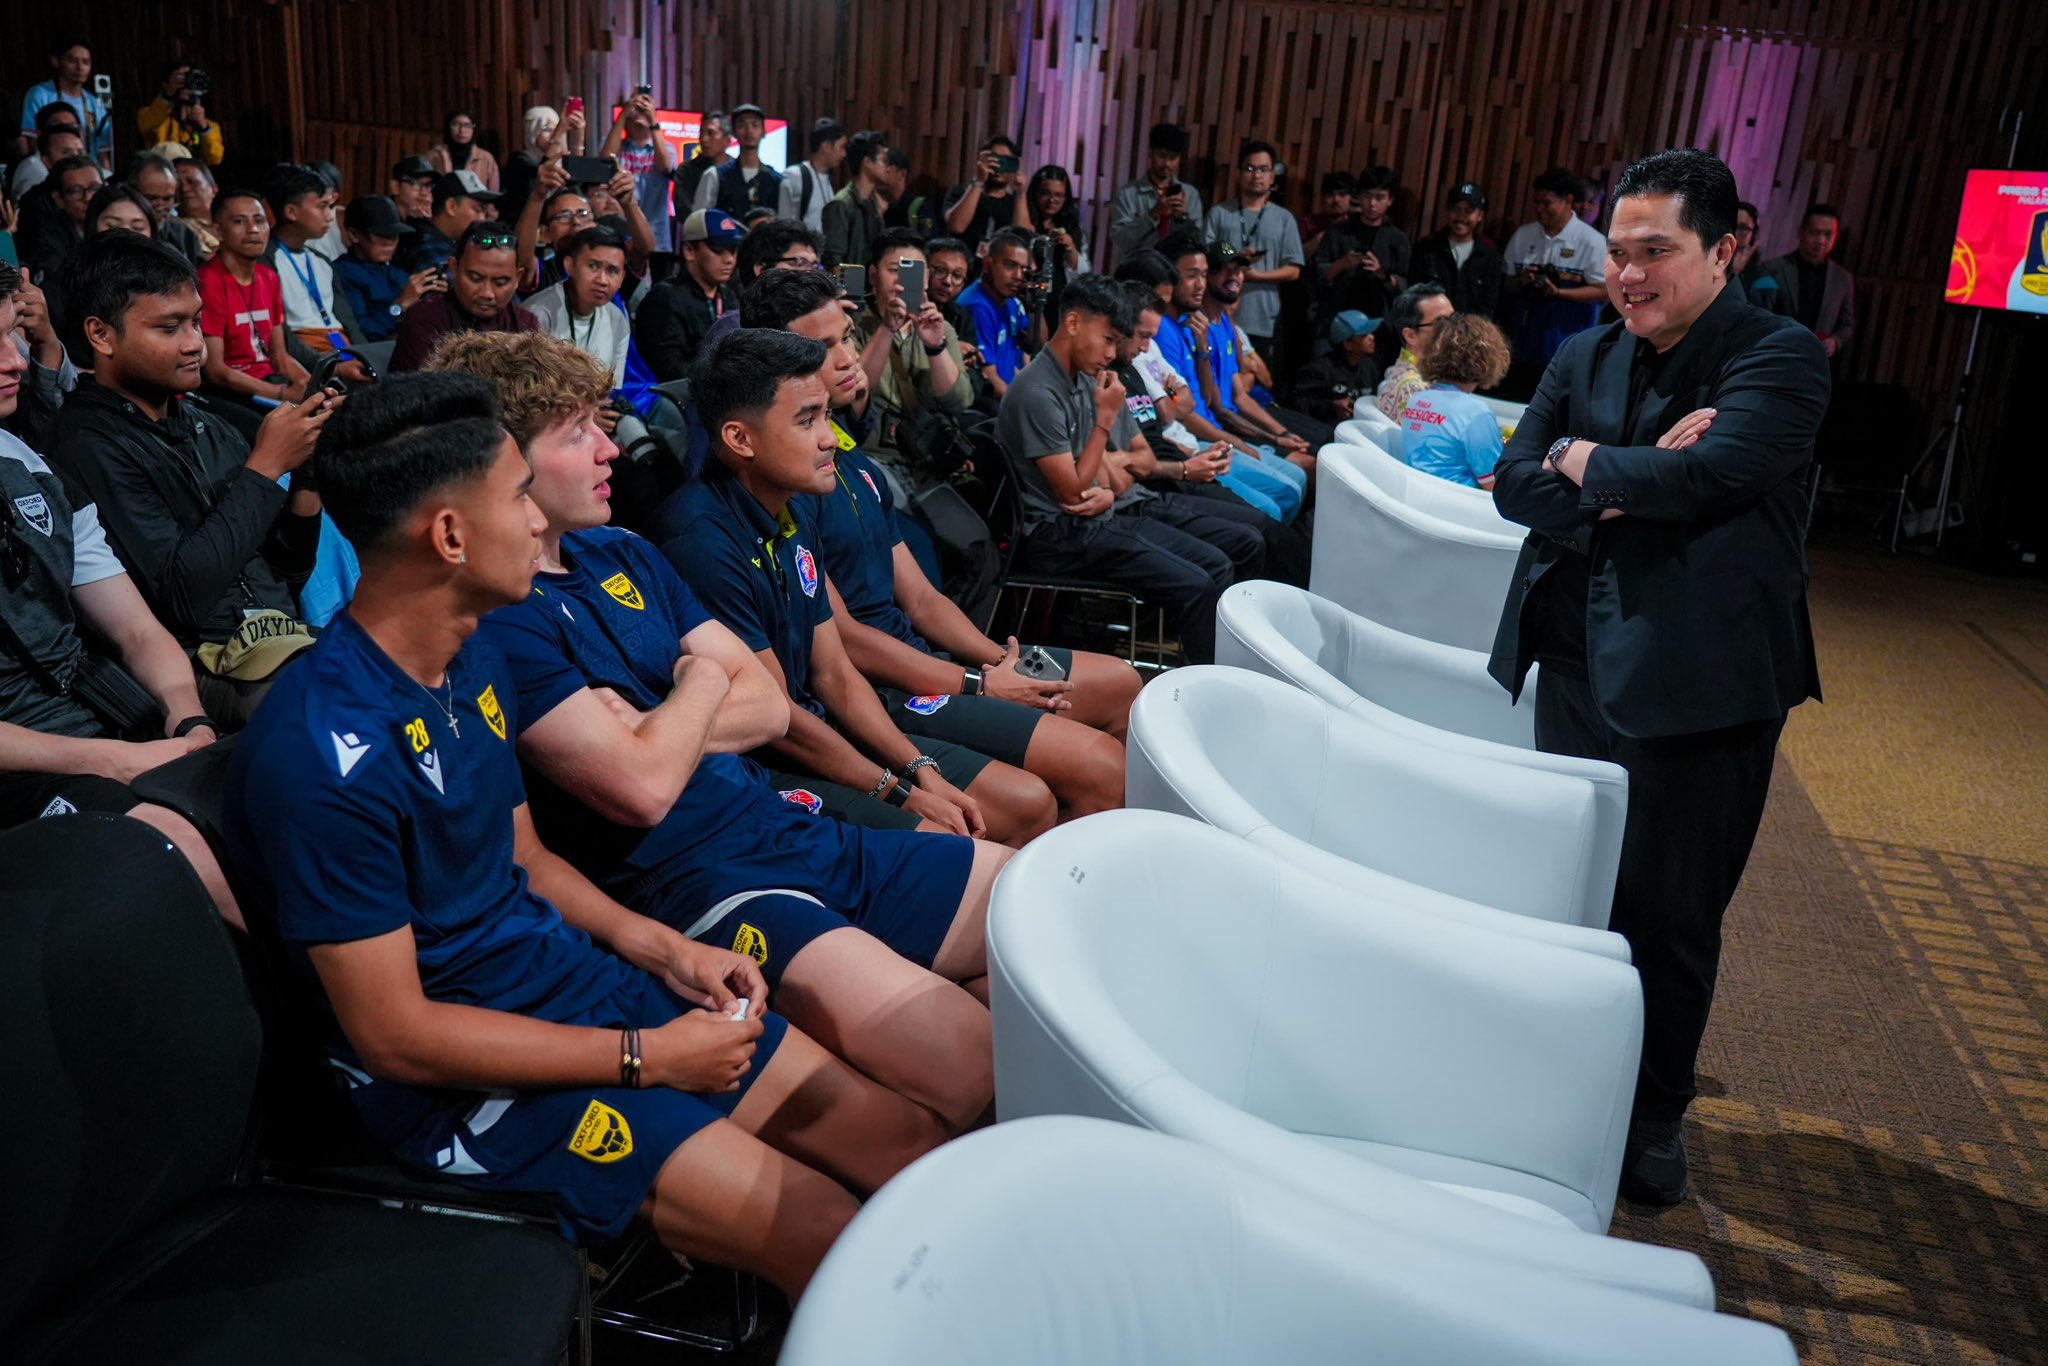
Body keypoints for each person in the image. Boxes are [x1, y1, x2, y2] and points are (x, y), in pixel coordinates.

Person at [224, 369, 950, 1301]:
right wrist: (647, 1059)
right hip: (459, 1079)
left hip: (565, 979)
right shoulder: (318, 751)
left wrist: (666, 950)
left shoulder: (471, 654)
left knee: (905, 1141)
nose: (539, 521)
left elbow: (526, 860)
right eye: (519, 497)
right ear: (449, 536)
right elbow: (398, 1037)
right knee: (822, 1226)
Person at [431, 331, 999, 1127]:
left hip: (779, 824)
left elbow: (770, 703)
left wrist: (662, 719)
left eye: (601, 425)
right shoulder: (500, 617)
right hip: (701, 886)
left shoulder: (623, 549)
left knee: (1048, 922)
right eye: (578, 433)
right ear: (503, 466)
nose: (610, 449)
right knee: (976, 1059)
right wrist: (700, 684)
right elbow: (640, 788)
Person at [1487, 147, 1827, 1208]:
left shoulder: (1775, 357)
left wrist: (1584, 462)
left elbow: (1715, 474)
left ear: (1724, 250)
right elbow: (1512, 484)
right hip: (1571, 657)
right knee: (1576, 889)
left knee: (1669, 914)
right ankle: (1563, 1080)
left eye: (1654, 252)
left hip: (1700, 680)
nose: (1626, 275)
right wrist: (1633, 478)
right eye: (1618, 253)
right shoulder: (1586, 352)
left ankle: (1651, 1114)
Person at [658, 275, 1058, 843]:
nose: (829, 439)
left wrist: (920, 770)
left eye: (825, 417)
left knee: (1026, 802)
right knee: (989, 822)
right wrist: (900, 790)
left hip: (826, 723)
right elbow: (781, 719)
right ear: (740, 439)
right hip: (760, 769)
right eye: (806, 421)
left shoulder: (788, 508)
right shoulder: (702, 541)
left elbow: (834, 672)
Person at [0, 260, 238, 917]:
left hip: (95, 720)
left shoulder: (31, 465)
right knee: (181, 850)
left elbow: (135, 629)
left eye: (12, 334)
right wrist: (111, 761)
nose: (14, 360)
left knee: (273, 794)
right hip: (24, 761)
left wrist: (186, 714)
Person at [51, 232, 333, 726]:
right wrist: (265, 468)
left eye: (196, 322)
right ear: (101, 335)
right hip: (198, 664)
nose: (195, 344)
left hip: (282, 639)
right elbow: (182, 599)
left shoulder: (208, 425)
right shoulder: (85, 444)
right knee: (326, 704)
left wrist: (306, 474)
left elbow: (288, 570)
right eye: (169, 328)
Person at [995, 273, 1260, 665]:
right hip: (1058, 534)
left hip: (1098, 515)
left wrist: (1103, 487)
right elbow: (1072, 491)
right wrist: (1104, 421)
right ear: (1073, 323)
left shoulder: (1084, 378)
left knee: (1218, 564)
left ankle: (1220, 670)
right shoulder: (1038, 390)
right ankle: (1206, 684)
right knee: (1198, 584)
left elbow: (1110, 474)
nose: (1111, 353)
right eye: (1107, 339)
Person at [1141, 235, 1306, 522]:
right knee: (1281, 497)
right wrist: (1240, 442)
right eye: (1192, 275)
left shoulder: (1195, 324)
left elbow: (1209, 400)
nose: (1201, 285)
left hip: (1213, 431)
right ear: (1168, 278)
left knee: (1294, 482)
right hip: (1195, 440)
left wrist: (1203, 349)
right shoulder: (1162, 331)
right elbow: (1180, 411)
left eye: (1204, 275)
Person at [850, 229, 974, 488]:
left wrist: (935, 347)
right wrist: (887, 329)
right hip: (873, 455)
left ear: (925, 278)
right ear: (874, 276)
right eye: (895, 270)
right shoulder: (852, 324)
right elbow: (855, 390)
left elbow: (959, 400)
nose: (902, 281)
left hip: (925, 456)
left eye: (913, 272)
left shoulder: (941, 328)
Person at [1197, 242, 1329, 455]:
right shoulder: (1197, 327)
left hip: (1240, 417)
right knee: (1310, 462)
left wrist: (1283, 433)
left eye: (1238, 270)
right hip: (1222, 427)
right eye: (1224, 270)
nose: (1234, 277)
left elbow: (1240, 396)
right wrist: (1274, 438)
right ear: (1206, 277)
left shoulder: (1225, 323)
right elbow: (1217, 406)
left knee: (1324, 443)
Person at [195, 188, 312, 417]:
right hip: (230, 393)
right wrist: (281, 394)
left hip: (269, 384)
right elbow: (215, 371)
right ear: (219, 231)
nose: (253, 229)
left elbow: (279, 356)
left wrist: (308, 383)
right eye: (239, 221)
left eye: (259, 220)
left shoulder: (269, 277)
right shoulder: (207, 281)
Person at [1501, 166, 1609, 395]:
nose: (1540, 209)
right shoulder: (1523, 235)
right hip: (1522, 348)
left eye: (1547, 203)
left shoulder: (1591, 242)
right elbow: (1507, 284)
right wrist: (1522, 281)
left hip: (1567, 349)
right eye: (1536, 202)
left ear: (1567, 200)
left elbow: (1604, 292)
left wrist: (1559, 292)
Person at [389, 221, 539, 372]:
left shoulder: (525, 325)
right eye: (475, 278)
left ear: (518, 278)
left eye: (500, 282)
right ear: (454, 268)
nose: (487, 293)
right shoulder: (424, 320)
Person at [1202, 141, 1302, 367]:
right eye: (1250, 168)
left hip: (1262, 317)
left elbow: (1294, 270)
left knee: (1256, 380)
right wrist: (1236, 257)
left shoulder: (1284, 218)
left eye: (1264, 169)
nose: (1257, 175)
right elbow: (1205, 255)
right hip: (1217, 313)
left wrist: (1256, 276)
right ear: (1238, 174)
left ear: (1272, 176)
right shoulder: (1220, 213)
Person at [1398, 312, 1510, 489]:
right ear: (1486, 358)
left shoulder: (1416, 400)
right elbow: (1495, 486)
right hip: (1460, 501)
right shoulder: (1476, 412)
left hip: (1416, 494)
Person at [633, 208, 743, 381]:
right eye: (718, 250)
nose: (729, 259)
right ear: (689, 250)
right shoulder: (665, 298)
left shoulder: (728, 295)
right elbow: (670, 370)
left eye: (733, 250)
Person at [524, 226, 631, 386]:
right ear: (569, 266)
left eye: (612, 271)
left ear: (622, 277)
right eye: (593, 266)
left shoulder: (616, 318)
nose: (602, 280)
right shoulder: (537, 314)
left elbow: (611, 388)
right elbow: (529, 389)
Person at [1308, 163, 1409, 327]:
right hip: (1335, 319)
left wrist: (1383, 275)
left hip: (1380, 322)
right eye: (1367, 196)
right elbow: (1316, 275)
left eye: (1379, 198)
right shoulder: (1337, 232)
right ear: (1359, 197)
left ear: (1390, 200)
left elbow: (1406, 287)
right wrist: (1342, 264)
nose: (1372, 204)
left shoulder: (1398, 239)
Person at [334, 194, 439, 343]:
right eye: (382, 235)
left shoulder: (398, 272)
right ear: (354, 235)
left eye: (395, 235)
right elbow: (362, 330)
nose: (390, 242)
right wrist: (400, 305)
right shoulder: (342, 273)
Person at [267, 167, 349, 355]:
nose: (329, 216)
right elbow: (279, 332)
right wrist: (329, 365)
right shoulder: (267, 260)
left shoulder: (322, 261)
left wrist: (366, 354)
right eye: (321, 206)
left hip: (337, 339)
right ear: (291, 212)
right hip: (303, 348)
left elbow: (346, 318)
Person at [1760, 204, 1855, 365]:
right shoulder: (1773, 269)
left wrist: (1835, 341)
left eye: (1828, 234)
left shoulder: (1842, 278)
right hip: (1774, 357)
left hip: (1815, 362)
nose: (1821, 241)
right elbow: (1760, 314)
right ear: (1801, 232)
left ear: (1836, 236)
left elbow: (1847, 324)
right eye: (1814, 232)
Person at [1107, 123, 1203, 265]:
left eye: (1173, 158)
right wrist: (1153, 214)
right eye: (1162, 156)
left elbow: (1197, 244)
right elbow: (1121, 241)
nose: (1167, 164)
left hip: (1174, 272)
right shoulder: (1128, 194)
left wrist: (1181, 218)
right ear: (1150, 153)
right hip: (1136, 270)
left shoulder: (1191, 195)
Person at [955, 229, 1035, 394]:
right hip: (992, 398)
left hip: (1010, 391)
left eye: (1023, 269)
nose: (1018, 276)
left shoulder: (1011, 301)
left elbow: (1025, 352)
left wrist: (1033, 305)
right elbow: (990, 378)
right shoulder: (977, 306)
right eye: (1010, 265)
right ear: (987, 264)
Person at [18, 37, 111, 170]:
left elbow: (102, 153)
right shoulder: (40, 94)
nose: (80, 67)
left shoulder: (94, 102)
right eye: (72, 61)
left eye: (86, 62)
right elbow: (33, 142)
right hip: (52, 170)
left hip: (89, 170)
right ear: (56, 61)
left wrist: (107, 176)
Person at [1414, 180, 1503, 317]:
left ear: (1480, 216)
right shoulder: (1427, 248)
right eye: (1456, 209)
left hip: (1471, 329)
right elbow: (1414, 298)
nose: (1461, 217)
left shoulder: (1490, 255)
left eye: (1468, 211)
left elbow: (1489, 306)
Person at [1375, 281, 1454, 421]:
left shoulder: (1428, 375)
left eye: (1454, 319)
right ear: (1410, 335)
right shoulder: (1414, 389)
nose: (1454, 328)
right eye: (1441, 322)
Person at [942, 135, 1031, 256]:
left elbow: (1022, 240)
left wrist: (1020, 193)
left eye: (1005, 161)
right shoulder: (960, 193)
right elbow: (957, 226)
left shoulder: (1017, 204)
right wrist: (979, 180)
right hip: (961, 262)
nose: (999, 166)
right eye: (994, 159)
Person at [693, 103, 782, 222]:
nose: (749, 131)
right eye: (741, 125)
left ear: (763, 132)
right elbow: (699, 221)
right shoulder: (714, 175)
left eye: (755, 125)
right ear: (733, 133)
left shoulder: (776, 180)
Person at [1290, 308, 1382, 424]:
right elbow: (1297, 403)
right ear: (1348, 344)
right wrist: (1331, 407)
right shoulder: (1320, 370)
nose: (1372, 337)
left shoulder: (1369, 367)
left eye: (1371, 333)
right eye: (1364, 335)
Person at [398, 170, 499, 275]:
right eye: (478, 210)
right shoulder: (427, 248)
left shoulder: (449, 242)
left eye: (485, 212)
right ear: (451, 206)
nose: (482, 219)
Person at [821, 129, 889, 271]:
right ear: (868, 162)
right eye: (883, 161)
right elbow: (834, 262)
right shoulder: (841, 204)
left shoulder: (874, 202)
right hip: (851, 284)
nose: (888, 168)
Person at [135, 62, 223, 166]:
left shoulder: (209, 126)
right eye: (181, 78)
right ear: (166, 83)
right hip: (162, 172)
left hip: (190, 173)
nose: (187, 84)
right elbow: (146, 126)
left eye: (190, 78)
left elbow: (214, 158)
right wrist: (169, 94)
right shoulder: (154, 117)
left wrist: (203, 127)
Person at [779, 118, 847, 234]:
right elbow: (783, 223)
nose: (844, 154)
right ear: (826, 146)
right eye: (841, 147)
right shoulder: (795, 176)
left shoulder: (828, 179)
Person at [1026, 165, 1091, 274]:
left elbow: (1083, 271)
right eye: (1045, 194)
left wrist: (1070, 247)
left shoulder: (1072, 228)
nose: (1052, 200)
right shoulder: (1026, 221)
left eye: (1058, 195)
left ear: (1065, 198)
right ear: (1035, 193)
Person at [9, 110, 86, 202]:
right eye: (65, 152)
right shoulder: (34, 170)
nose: (75, 158)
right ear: (46, 159)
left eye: (80, 152)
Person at [427, 109, 502, 192]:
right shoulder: (435, 155)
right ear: (448, 128)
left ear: (473, 129)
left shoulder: (485, 158)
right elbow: (425, 186)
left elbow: (494, 193)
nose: (462, 130)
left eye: (467, 125)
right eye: (455, 125)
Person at [676, 110, 732, 211]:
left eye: (710, 133)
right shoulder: (686, 170)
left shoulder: (736, 169)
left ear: (727, 140)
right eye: (701, 133)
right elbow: (683, 209)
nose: (703, 139)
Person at [172, 158, 221, 261]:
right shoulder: (173, 229)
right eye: (177, 185)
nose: (184, 189)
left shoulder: (229, 222)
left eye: (192, 182)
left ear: (213, 189)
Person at [1298, 171, 1357, 257]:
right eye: (1330, 195)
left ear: (1352, 197)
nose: (1336, 199)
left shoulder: (1359, 223)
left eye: (1342, 194)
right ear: (1323, 198)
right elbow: (1295, 257)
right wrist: (1321, 237)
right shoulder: (1308, 223)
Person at [1730, 200, 1775, 308]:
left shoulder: (1763, 280)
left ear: (1754, 235)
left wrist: (1734, 274)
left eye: (1742, 228)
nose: (1734, 233)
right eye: (1731, 225)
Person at [388, 155, 438, 227]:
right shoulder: (381, 217)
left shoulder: (432, 217)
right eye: (416, 183)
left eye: (429, 185)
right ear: (396, 186)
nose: (424, 193)